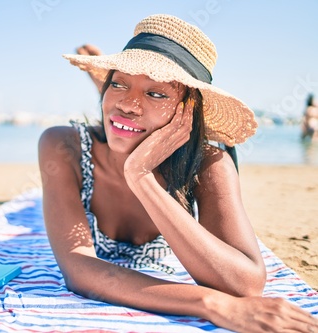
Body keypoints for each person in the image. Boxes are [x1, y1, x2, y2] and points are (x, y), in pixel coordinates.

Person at [38, 14, 318, 332]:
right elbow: (78, 269)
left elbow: (245, 286)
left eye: (156, 93)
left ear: (187, 110)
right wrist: (209, 303)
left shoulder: (209, 163)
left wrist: (141, 177)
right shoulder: (64, 145)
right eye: (117, 83)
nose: (127, 104)